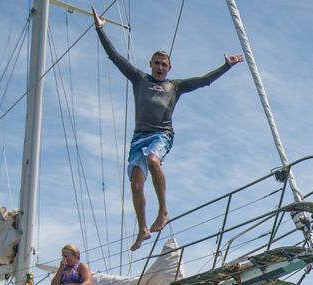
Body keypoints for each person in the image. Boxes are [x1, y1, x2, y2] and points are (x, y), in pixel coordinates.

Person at [92, 7, 245, 252]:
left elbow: (204, 81)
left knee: (154, 161)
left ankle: (163, 211)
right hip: (138, 138)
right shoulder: (139, 79)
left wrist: (225, 66)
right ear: (150, 64)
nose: (160, 67)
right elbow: (115, 57)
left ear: (169, 68)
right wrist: (100, 29)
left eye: (164, 64)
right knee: (135, 184)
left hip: (162, 135)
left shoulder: (175, 86)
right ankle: (142, 228)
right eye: (156, 63)